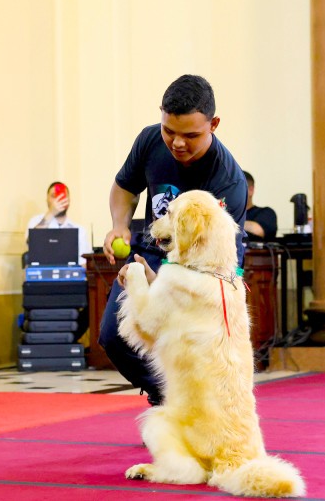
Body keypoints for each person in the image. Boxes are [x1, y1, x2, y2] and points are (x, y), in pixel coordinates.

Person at [98, 74, 247, 406]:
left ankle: (200, 407)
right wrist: (119, 225)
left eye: (191, 135)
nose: (177, 143)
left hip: (204, 272)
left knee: (189, 343)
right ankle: (172, 400)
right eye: (170, 131)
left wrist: (162, 283)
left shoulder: (228, 182)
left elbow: (215, 266)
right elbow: (124, 186)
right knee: (113, 336)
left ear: (214, 125)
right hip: (151, 251)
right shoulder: (150, 140)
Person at [26, 182, 92, 267]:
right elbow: (31, 243)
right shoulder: (36, 221)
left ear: (69, 200)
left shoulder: (80, 230)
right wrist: (51, 213)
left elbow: (84, 263)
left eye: (62, 196)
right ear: (47, 199)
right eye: (54, 196)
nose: (59, 200)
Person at [243, 171, 278, 241]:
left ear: (251, 190)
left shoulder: (266, 213)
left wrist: (227, 223)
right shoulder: (224, 214)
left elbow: (258, 231)